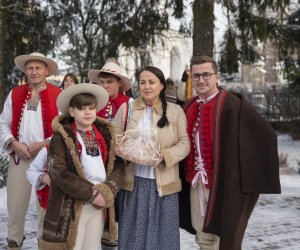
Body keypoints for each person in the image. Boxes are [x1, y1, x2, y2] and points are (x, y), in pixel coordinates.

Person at [179, 55, 281, 249]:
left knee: (226, 237)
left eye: (206, 75)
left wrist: (246, 171)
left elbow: (265, 134)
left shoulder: (232, 104)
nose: (201, 80)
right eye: (196, 75)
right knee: (203, 235)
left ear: (217, 76)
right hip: (196, 183)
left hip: (224, 183)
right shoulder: (189, 106)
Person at [113, 66, 190, 250]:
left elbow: (185, 143)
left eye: (152, 82)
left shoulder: (175, 111)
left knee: (164, 240)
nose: (147, 87)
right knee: (133, 239)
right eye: (143, 82)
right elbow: (114, 138)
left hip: (165, 186)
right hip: (134, 185)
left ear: (162, 85)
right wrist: (127, 151)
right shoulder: (127, 109)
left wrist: (166, 155)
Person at [39, 83, 121, 250]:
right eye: (82, 108)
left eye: (91, 108)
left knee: (91, 247)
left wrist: (106, 191)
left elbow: (117, 167)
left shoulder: (106, 135)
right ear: (71, 111)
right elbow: (58, 172)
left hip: (99, 203)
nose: (88, 112)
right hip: (72, 204)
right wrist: (91, 192)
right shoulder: (61, 136)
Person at [0, 52, 61, 249]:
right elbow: (3, 122)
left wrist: (43, 144)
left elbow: (64, 128)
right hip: (20, 157)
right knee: (15, 205)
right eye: (30, 68)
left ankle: (45, 244)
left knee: (46, 206)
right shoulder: (16, 93)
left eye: (38, 68)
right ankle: (14, 242)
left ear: (46, 71)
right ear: (25, 71)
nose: (34, 72)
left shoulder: (58, 95)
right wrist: (14, 144)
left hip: (47, 159)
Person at [26, 74, 79, 240]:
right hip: (48, 185)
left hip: (75, 195)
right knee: (45, 225)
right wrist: (45, 178)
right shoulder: (51, 144)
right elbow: (32, 171)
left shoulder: (85, 137)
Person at [88, 61, 132, 248]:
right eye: (102, 82)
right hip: (95, 163)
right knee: (96, 208)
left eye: (110, 82)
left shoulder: (129, 104)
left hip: (121, 165)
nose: (105, 86)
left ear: (119, 83)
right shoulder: (92, 103)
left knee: (118, 209)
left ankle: (112, 243)